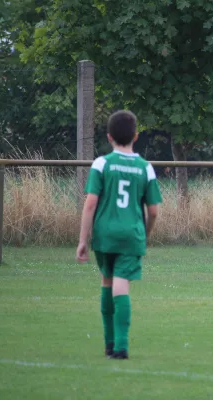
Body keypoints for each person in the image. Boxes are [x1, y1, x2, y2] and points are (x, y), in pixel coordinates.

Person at [76, 110, 162, 360]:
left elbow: (90, 204)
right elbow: (154, 211)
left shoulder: (102, 164)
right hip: (132, 235)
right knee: (122, 286)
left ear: (109, 137)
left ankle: (109, 343)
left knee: (107, 281)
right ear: (136, 136)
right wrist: (144, 235)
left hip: (105, 234)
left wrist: (83, 240)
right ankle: (122, 346)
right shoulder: (145, 167)